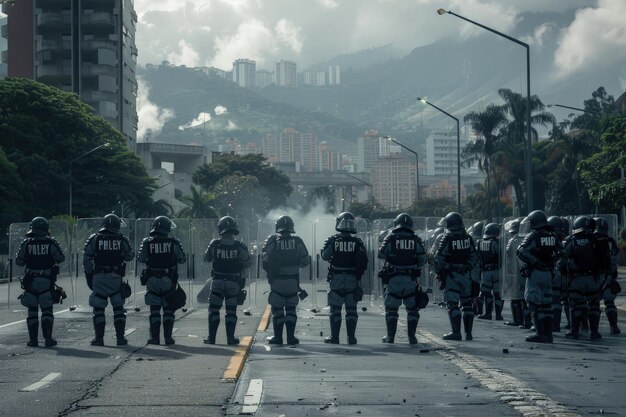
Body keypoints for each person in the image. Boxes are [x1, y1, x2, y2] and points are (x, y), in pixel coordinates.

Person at [83, 214, 135, 346]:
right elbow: (129, 256)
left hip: (99, 276)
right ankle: (120, 339)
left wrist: (89, 275)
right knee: (118, 307)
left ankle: (99, 339)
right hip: (115, 277)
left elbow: (86, 258)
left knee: (99, 308)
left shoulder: (94, 238)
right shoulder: (121, 239)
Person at [15, 217, 65, 347]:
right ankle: (48, 339)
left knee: (32, 310)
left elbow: (19, 262)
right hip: (46, 281)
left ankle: (33, 340)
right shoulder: (51, 243)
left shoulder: (26, 243)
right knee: (47, 310)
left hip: (30, 281)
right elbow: (60, 258)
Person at [378, 213, 427, 344]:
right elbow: (423, 258)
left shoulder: (390, 238)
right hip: (410, 278)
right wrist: (415, 266)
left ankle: (390, 337)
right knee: (412, 309)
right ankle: (412, 337)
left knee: (391, 309)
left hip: (393, 278)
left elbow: (381, 254)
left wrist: (392, 257)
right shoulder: (416, 239)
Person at [321, 212, 368, 344]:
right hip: (353, 278)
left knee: (335, 309)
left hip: (336, 277)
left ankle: (334, 337)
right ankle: (351, 338)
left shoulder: (333, 241)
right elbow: (364, 262)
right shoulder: (357, 242)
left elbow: (325, 256)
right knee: (351, 310)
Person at [137, 216, 186, 345]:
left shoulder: (147, 242)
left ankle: (155, 338)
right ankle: (168, 339)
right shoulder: (173, 241)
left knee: (154, 309)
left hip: (152, 279)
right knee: (168, 309)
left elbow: (141, 258)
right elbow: (182, 259)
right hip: (168, 279)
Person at [262, 215, 310, 345]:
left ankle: (278, 338)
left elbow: (265, 259)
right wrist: (296, 266)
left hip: (277, 281)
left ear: (278, 227)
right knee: (291, 309)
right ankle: (291, 338)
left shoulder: (272, 240)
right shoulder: (298, 241)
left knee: (277, 310)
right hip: (293, 281)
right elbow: (306, 260)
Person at [203, 216, 250, 345]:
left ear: (220, 229)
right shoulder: (239, 246)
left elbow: (206, 258)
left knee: (213, 310)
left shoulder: (214, 244)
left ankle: (211, 338)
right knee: (231, 312)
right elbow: (247, 263)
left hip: (217, 281)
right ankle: (230, 339)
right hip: (233, 282)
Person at [517, 210, 562, 343]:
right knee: (547, 304)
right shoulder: (553, 236)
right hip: (549, 274)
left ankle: (540, 333)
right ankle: (549, 335)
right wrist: (551, 263)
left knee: (535, 303)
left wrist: (535, 262)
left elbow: (521, 250)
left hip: (536, 273)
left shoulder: (534, 236)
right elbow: (562, 252)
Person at [433, 212, 479, 341]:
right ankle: (468, 333)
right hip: (466, 275)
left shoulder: (447, 238)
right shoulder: (467, 237)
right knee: (467, 304)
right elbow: (474, 256)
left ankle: (456, 332)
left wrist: (441, 271)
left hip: (452, 275)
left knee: (452, 304)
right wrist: (467, 267)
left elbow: (438, 258)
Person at [562, 216, 603, 340]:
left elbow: (563, 258)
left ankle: (574, 331)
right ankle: (594, 332)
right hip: (593, 279)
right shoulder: (596, 240)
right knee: (594, 306)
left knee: (576, 305)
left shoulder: (572, 240)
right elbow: (604, 259)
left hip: (576, 279)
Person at [593, 217, 621, 334]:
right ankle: (614, 326)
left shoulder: (591, 240)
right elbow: (614, 261)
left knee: (593, 305)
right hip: (608, 277)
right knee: (610, 303)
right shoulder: (611, 242)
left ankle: (593, 330)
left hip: (594, 277)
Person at [477, 223, 503, 321]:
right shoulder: (496, 243)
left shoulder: (480, 242)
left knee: (486, 293)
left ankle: (487, 314)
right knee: (497, 294)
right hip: (497, 271)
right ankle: (498, 315)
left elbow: (478, 257)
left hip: (485, 272)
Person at [547, 216, 568, 332]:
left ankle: (555, 325)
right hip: (565, 274)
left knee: (555, 300)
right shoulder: (564, 239)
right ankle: (572, 325)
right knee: (566, 300)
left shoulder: (549, 239)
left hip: (555, 273)